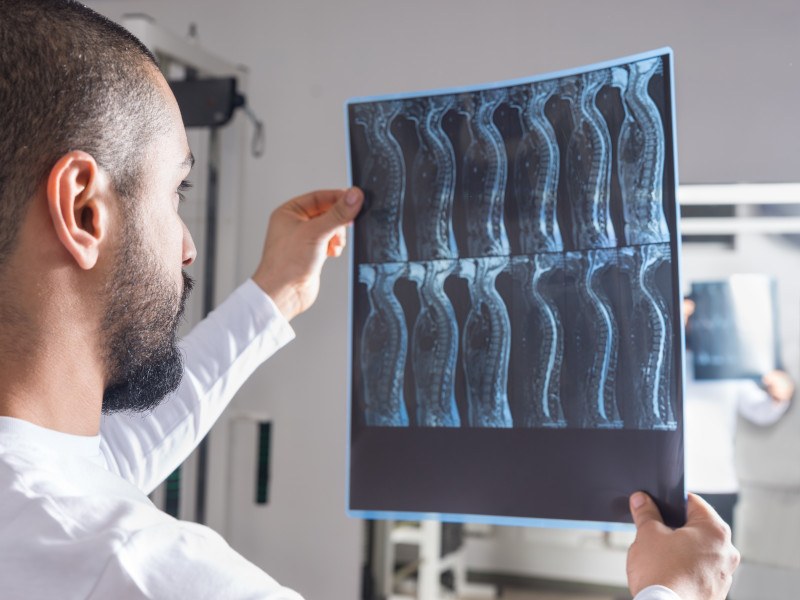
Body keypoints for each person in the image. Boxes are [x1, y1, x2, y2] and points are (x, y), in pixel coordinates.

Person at [0, 1, 738, 599]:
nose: (188, 245)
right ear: (85, 210)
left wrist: (272, 298)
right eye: (176, 192)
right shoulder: (141, 574)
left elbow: (104, 462)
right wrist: (680, 595)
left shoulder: (39, 495)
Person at [684, 298, 794, 530]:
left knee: (718, 562)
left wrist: (779, 395)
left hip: (716, 481)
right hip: (669, 486)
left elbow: (761, 411)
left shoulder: (728, 365)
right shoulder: (657, 363)